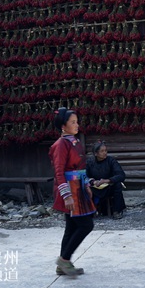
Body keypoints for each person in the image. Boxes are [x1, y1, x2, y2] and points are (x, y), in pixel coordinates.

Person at [48, 107, 96, 276]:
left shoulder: (74, 142)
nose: (77, 125)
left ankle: (62, 265)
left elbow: (81, 168)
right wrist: (66, 195)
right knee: (86, 225)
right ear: (63, 126)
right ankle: (65, 260)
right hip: (70, 190)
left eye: (77, 122)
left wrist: (87, 185)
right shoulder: (60, 145)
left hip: (79, 188)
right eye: (73, 122)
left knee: (71, 227)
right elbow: (59, 172)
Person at [87, 141, 126, 219]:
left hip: (109, 187)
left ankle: (116, 211)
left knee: (117, 185)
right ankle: (90, 211)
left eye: (105, 150)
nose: (105, 153)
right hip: (95, 187)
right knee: (84, 188)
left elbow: (121, 175)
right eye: (102, 151)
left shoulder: (111, 161)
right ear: (96, 153)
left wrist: (107, 180)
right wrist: (93, 181)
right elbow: (85, 176)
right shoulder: (90, 162)